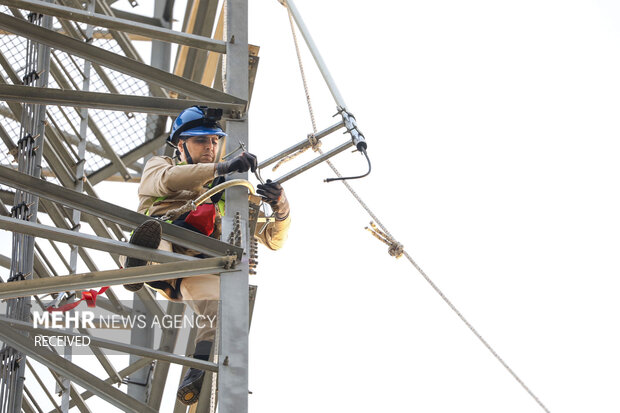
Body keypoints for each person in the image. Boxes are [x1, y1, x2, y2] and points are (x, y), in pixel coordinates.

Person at [124, 106, 291, 405]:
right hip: (164, 240)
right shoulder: (160, 165)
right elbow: (167, 181)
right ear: (181, 146)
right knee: (157, 241)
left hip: (194, 265)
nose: (210, 147)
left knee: (222, 307)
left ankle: (197, 369)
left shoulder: (226, 192)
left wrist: (281, 207)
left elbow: (273, 240)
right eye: (201, 141)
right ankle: (139, 265)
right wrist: (222, 169)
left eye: (214, 141)